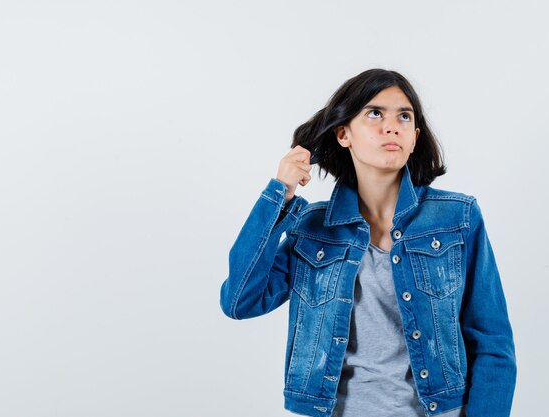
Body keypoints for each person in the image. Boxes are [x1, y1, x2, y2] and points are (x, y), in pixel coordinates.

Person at [219, 68, 516, 417]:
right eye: (375, 113)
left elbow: (493, 344)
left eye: (404, 116)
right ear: (343, 134)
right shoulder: (312, 229)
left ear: (415, 136)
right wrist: (277, 197)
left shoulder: (456, 218)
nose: (391, 126)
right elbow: (240, 301)